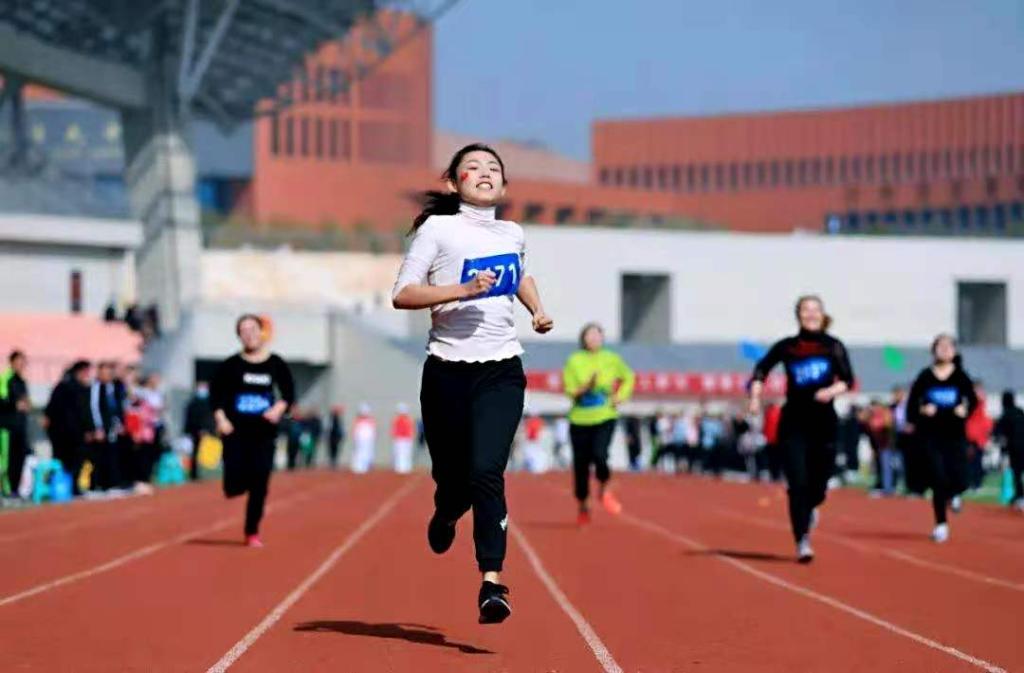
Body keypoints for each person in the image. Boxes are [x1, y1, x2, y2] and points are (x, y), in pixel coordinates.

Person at [391, 143, 553, 624]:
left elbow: (519, 274)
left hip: (501, 368)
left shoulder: (512, 231)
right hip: (446, 371)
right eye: (473, 167)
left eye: (493, 169)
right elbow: (402, 294)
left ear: (504, 185)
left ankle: (492, 584)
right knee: (454, 479)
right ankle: (445, 512)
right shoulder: (438, 230)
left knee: (487, 471)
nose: (484, 173)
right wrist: (462, 290)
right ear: (453, 182)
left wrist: (536, 309)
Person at [749, 295, 854, 563]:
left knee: (819, 482)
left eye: (815, 310)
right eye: (806, 310)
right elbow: (761, 369)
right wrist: (755, 396)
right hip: (794, 421)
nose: (810, 314)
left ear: (822, 314)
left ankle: (812, 504)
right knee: (797, 483)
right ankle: (802, 540)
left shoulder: (832, 346)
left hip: (824, 422)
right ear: (798, 315)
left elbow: (847, 380)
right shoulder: (788, 347)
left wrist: (830, 391)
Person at [211, 314, 295, 548]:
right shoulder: (231, 365)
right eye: (243, 331)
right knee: (234, 485)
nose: (249, 334)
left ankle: (252, 531)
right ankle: (236, 484)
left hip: (263, 432)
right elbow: (215, 395)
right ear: (239, 336)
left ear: (261, 332)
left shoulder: (275, 363)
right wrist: (220, 419)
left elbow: (288, 393)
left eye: (252, 329)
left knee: (260, 483)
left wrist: (278, 408)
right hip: (235, 431)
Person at [906, 334, 977, 543]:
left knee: (961, 477)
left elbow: (972, 400)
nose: (945, 350)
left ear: (954, 351)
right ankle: (940, 524)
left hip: (954, 434)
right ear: (933, 350)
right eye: (940, 346)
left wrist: (965, 409)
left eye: (949, 346)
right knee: (938, 478)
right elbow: (911, 407)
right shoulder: (925, 376)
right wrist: (922, 410)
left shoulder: (961, 376)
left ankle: (954, 494)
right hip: (931, 435)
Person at [563, 323, 635, 524]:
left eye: (597, 335)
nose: (593, 339)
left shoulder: (611, 358)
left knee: (600, 455)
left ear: (603, 338)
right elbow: (570, 391)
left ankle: (604, 484)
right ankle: (583, 502)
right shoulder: (574, 360)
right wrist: (586, 387)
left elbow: (629, 376)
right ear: (582, 338)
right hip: (579, 418)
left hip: (605, 416)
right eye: (589, 335)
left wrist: (621, 396)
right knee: (581, 465)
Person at [43, 361, 92, 495]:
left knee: (74, 460)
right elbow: (52, 409)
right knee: (65, 461)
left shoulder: (81, 388)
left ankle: (70, 486)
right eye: (86, 372)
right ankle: (59, 487)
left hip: (72, 432)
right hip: (65, 432)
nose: (88, 375)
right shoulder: (66, 387)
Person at [86, 361, 127, 493]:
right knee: (98, 456)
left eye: (109, 372)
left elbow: (116, 408)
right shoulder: (96, 387)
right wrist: (98, 427)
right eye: (104, 372)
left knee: (112, 454)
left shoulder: (113, 387)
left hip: (112, 427)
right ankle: (96, 486)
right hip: (101, 428)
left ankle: (112, 484)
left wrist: (118, 424)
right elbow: (94, 408)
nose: (108, 375)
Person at [0, 351, 31, 497]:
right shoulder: (6, 379)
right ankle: (6, 491)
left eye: (23, 361)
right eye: (19, 361)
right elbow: (2, 400)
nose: (21, 364)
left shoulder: (22, 381)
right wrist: (15, 404)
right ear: (12, 362)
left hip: (20, 428)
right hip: (7, 427)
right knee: (7, 460)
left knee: (20, 459)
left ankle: (15, 490)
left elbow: (25, 402)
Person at [994, 390, 1024, 510]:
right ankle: (1018, 496)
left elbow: (998, 433)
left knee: (1017, 473)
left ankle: (1020, 497)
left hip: (1015, 449)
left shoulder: (1005, 415)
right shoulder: (1020, 412)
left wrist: (1003, 448)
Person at [183, 381, 215, 480]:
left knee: (208, 451)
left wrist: (208, 428)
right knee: (196, 452)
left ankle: (206, 471)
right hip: (195, 430)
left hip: (207, 429)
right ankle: (194, 473)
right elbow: (190, 417)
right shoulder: (193, 402)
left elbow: (209, 417)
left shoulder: (209, 402)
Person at [350, 404, 377, 474]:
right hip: (360, 439)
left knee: (367, 452)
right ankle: (357, 466)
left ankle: (365, 466)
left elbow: (373, 430)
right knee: (358, 452)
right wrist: (355, 437)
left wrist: (373, 437)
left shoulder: (371, 420)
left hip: (368, 440)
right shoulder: (358, 420)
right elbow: (355, 430)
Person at [391, 403, 416, 473]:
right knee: (401, 453)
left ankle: (405, 467)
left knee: (405, 453)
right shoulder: (399, 420)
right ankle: (401, 468)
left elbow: (411, 430)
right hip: (401, 439)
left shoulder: (407, 420)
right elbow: (395, 430)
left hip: (405, 439)